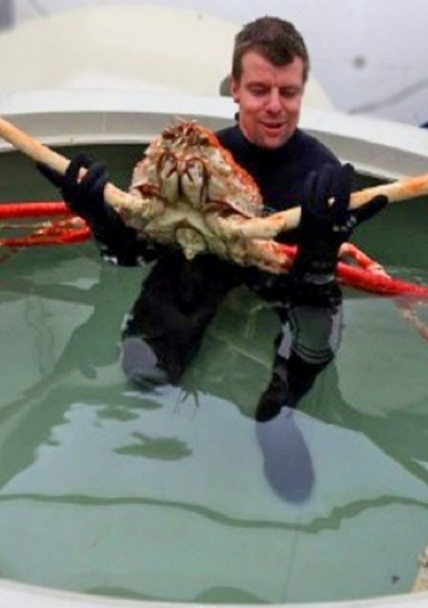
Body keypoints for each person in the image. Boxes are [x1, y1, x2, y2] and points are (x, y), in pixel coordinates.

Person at [40, 16, 386, 500]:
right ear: (236, 90)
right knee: (143, 370)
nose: (274, 106)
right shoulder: (207, 154)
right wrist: (100, 215)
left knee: (301, 360)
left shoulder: (318, 173)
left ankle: (282, 413)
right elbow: (140, 252)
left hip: (282, 277)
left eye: (287, 92)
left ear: (301, 91)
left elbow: (315, 285)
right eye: (260, 89)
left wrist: (323, 246)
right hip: (204, 260)